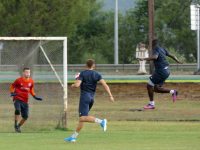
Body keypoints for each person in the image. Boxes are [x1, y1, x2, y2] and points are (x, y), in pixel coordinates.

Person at [64, 59, 114, 142]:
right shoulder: (97, 74)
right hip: (91, 98)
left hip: (85, 97)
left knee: (83, 117)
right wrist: (110, 95)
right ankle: (73, 137)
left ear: (86, 65)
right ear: (93, 66)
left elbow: (77, 85)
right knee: (82, 118)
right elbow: (105, 85)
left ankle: (101, 122)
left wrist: (73, 84)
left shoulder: (82, 73)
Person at [139, 39, 182, 109]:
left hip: (161, 71)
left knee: (149, 85)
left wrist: (144, 58)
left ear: (152, 44)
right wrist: (178, 61)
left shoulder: (156, 49)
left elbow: (155, 57)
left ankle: (151, 104)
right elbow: (173, 56)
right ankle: (173, 92)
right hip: (167, 71)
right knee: (156, 88)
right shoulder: (163, 49)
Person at [10, 67, 43, 132]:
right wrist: (12, 93)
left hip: (25, 100)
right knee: (17, 110)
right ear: (23, 73)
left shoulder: (31, 81)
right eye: (26, 72)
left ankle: (18, 126)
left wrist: (34, 96)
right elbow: (12, 86)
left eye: (29, 72)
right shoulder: (18, 80)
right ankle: (15, 124)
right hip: (17, 98)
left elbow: (31, 89)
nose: (28, 73)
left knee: (26, 116)